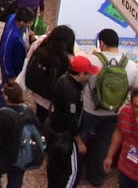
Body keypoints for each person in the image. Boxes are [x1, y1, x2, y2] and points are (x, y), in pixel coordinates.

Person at [80, 28, 138, 185]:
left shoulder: (91, 60)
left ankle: (77, 171)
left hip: (90, 109)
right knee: (103, 144)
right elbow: (136, 88)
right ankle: (96, 176)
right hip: (114, 111)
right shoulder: (130, 65)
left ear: (101, 43)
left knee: (82, 140)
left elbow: (81, 80)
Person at [46, 55, 97, 188]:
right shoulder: (72, 91)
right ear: (81, 74)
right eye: (88, 74)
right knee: (72, 172)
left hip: (54, 131)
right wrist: (79, 142)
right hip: (65, 137)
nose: (90, 76)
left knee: (54, 170)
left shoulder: (63, 79)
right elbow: (71, 119)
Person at [0, 80, 36, 188]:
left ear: (6, 97)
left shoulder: (3, 114)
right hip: (20, 155)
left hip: (2, 155)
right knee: (15, 182)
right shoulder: (28, 111)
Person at [0, 7, 35, 105]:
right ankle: (0, 102)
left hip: (17, 59)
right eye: (30, 23)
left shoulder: (13, 17)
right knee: (9, 86)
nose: (32, 24)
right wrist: (10, 75)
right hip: (11, 65)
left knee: (7, 84)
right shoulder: (12, 37)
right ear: (22, 23)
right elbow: (4, 57)